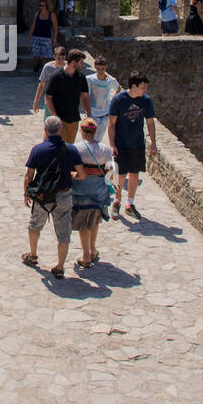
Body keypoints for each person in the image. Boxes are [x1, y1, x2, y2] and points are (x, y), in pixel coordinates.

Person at [21, 115, 82, 280]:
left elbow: (29, 175)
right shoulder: (71, 149)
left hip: (42, 195)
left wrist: (26, 193)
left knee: (34, 226)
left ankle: (33, 255)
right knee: (63, 234)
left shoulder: (38, 150)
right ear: (61, 129)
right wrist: (70, 173)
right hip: (63, 194)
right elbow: (81, 174)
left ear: (45, 130)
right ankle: (60, 267)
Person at [107, 72, 157, 220]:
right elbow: (111, 123)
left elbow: (150, 122)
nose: (145, 90)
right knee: (120, 175)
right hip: (121, 144)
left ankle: (130, 204)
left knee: (134, 173)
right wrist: (111, 144)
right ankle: (117, 201)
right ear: (133, 86)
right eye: (143, 87)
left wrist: (153, 143)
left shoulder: (146, 100)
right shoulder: (119, 100)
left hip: (137, 143)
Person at [70, 118, 113, 269]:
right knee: (95, 221)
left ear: (81, 131)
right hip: (99, 191)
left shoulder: (76, 149)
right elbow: (110, 171)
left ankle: (85, 256)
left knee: (83, 224)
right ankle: (92, 249)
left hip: (81, 191)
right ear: (95, 131)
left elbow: (72, 169)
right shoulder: (105, 149)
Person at [45, 48, 91, 144]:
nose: (82, 65)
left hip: (74, 119)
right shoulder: (56, 76)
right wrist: (55, 117)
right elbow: (48, 97)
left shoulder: (81, 77)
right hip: (60, 119)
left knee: (70, 146)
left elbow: (86, 96)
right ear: (73, 62)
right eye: (81, 62)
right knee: (60, 147)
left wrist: (89, 115)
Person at [85, 58, 120, 143]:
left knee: (98, 139)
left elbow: (118, 89)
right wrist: (88, 113)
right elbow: (85, 95)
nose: (100, 71)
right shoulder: (89, 79)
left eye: (102, 69)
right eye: (98, 69)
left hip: (104, 116)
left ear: (106, 67)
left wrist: (112, 102)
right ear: (95, 67)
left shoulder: (111, 80)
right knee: (89, 137)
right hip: (92, 115)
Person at [32, 45, 66, 115]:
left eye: (63, 58)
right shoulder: (48, 67)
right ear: (54, 56)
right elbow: (42, 85)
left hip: (64, 101)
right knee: (49, 124)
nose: (61, 60)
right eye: (58, 58)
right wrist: (36, 101)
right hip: (50, 101)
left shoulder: (68, 67)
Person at [28, 0, 57, 71]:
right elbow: (33, 25)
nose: (41, 7)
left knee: (45, 57)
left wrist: (54, 39)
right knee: (36, 56)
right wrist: (29, 35)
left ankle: (44, 72)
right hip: (36, 37)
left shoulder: (52, 15)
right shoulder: (37, 14)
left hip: (46, 38)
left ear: (47, 6)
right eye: (40, 5)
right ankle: (38, 63)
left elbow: (55, 28)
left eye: (43, 6)